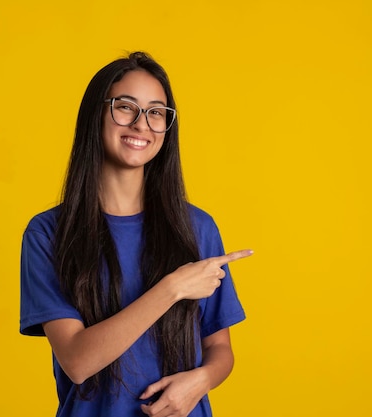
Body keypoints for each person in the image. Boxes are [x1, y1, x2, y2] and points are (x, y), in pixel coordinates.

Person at [20, 51, 253, 417]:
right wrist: (172, 288)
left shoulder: (197, 228)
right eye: (126, 107)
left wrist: (202, 380)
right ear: (96, 114)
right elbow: (78, 361)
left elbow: (220, 348)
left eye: (157, 112)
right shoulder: (49, 233)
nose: (142, 124)